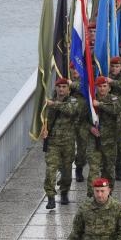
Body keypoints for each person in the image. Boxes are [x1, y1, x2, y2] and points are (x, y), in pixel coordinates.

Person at [43, 76, 78, 210]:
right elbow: (42, 118)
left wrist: (54, 104)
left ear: (69, 90)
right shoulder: (48, 102)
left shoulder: (73, 101)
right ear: (56, 88)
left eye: (64, 87)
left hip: (68, 143)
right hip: (52, 142)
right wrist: (43, 130)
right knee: (50, 170)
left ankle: (64, 192)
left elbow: (71, 110)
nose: (61, 89)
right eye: (59, 87)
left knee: (67, 172)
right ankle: (51, 197)